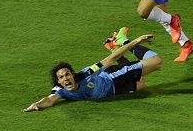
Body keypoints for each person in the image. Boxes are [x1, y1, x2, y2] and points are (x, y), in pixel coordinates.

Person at [23, 28, 161, 112]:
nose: (65, 78)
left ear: (73, 74)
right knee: (142, 84)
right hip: (112, 92)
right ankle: (113, 45)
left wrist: (136, 41)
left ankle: (122, 40)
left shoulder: (87, 73)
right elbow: (49, 100)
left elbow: (111, 59)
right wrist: (37, 105)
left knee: (157, 62)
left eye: (67, 74)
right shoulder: (60, 90)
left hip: (113, 77)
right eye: (61, 77)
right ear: (58, 81)